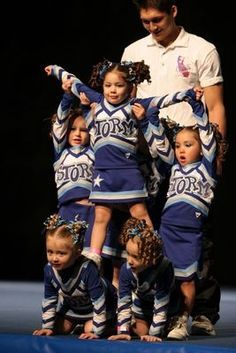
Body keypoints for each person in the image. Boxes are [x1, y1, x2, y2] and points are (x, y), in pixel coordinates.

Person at [121, 0, 227, 335]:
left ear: (174, 11)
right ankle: (156, 308)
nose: (151, 26)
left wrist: (218, 156)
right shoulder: (134, 50)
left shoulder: (201, 49)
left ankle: (202, 312)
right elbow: (128, 102)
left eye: (157, 19)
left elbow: (215, 105)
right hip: (150, 150)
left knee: (195, 231)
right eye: (145, 21)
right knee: (151, 229)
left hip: (189, 150)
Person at [44, 61, 188, 271]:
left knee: (140, 214)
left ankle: (154, 250)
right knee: (102, 216)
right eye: (108, 85)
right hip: (103, 174)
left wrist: (188, 94)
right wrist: (57, 71)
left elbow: (162, 100)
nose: (113, 90)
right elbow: (75, 84)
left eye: (119, 85)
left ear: (129, 87)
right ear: (102, 86)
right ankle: (93, 256)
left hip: (128, 172)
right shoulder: (98, 102)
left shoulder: (134, 107)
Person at [138, 88, 220, 339]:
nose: (181, 150)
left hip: (189, 233)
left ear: (201, 148)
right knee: (166, 277)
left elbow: (207, 135)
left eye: (188, 145)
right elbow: (158, 143)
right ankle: (163, 315)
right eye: (179, 145)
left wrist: (197, 108)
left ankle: (182, 319)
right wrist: (146, 119)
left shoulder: (206, 170)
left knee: (186, 280)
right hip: (167, 230)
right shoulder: (174, 167)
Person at [45, 77, 126, 288]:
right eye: (73, 130)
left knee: (92, 262)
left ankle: (101, 307)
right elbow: (60, 123)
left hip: (91, 213)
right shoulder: (60, 154)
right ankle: (68, 302)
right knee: (66, 258)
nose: (78, 134)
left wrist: (85, 106)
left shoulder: (94, 153)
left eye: (83, 130)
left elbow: (95, 124)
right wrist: (67, 97)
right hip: (67, 213)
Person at [33, 214, 117, 338]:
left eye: (61, 253)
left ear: (77, 253)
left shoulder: (88, 269)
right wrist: (47, 327)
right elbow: (49, 299)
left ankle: (112, 325)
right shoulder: (49, 270)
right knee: (58, 328)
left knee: (89, 329)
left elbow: (99, 301)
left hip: (103, 306)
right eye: (50, 252)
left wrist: (96, 332)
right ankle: (79, 324)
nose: (54, 258)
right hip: (74, 309)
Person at [108, 216, 174, 342]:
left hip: (168, 307)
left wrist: (154, 334)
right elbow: (124, 301)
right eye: (128, 254)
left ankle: (172, 322)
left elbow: (161, 303)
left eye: (136, 257)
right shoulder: (126, 269)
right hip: (143, 306)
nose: (129, 261)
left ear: (152, 257)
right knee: (142, 332)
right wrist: (123, 331)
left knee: (158, 332)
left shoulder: (164, 268)